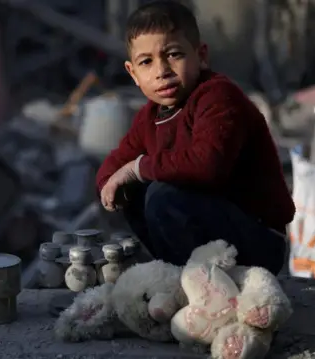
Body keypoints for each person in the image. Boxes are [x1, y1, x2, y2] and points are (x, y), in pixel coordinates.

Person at [96, 0, 295, 275]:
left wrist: (137, 168)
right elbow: (118, 162)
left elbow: (207, 165)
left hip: (257, 241)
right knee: (132, 190)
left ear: (201, 56)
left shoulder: (218, 97)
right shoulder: (150, 116)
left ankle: (200, 282)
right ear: (133, 73)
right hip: (210, 234)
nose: (161, 70)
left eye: (174, 54)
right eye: (146, 62)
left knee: (161, 194)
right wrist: (110, 182)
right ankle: (179, 275)